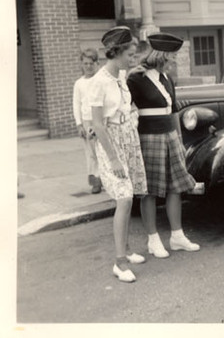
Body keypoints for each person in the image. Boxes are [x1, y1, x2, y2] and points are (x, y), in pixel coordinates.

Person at [127, 32, 200, 258]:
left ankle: (177, 237)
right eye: (173, 57)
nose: (175, 62)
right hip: (149, 138)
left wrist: (179, 140)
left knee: (175, 188)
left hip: (170, 137)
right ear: (162, 55)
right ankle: (153, 240)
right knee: (149, 191)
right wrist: (126, 75)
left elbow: (174, 111)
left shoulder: (167, 79)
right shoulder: (136, 79)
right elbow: (120, 103)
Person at [89, 26, 148, 283]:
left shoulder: (120, 77)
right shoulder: (98, 82)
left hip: (128, 137)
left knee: (130, 194)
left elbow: (127, 106)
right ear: (117, 52)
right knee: (123, 197)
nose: (132, 59)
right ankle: (119, 262)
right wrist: (113, 158)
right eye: (130, 54)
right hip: (110, 142)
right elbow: (98, 124)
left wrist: (132, 120)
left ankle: (127, 250)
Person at [73, 48, 102, 194]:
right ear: (81, 64)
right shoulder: (79, 83)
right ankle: (96, 181)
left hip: (102, 120)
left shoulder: (101, 80)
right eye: (85, 63)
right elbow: (76, 104)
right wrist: (79, 124)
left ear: (97, 63)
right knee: (91, 153)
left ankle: (108, 179)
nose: (88, 66)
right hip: (87, 120)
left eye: (91, 63)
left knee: (104, 150)